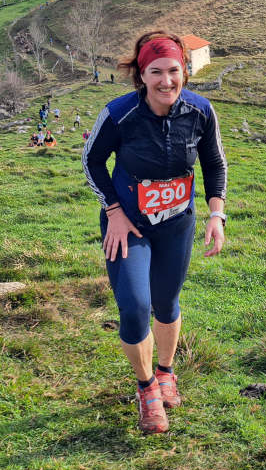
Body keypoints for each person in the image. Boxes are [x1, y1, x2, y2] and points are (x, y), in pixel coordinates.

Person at [83, 31, 227, 434]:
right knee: (133, 306)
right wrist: (112, 211)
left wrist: (217, 215)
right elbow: (92, 161)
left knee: (166, 303)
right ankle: (146, 388)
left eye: (174, 71)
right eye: (156, 72)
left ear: (185, 71)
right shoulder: (118, 114)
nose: (166, 81)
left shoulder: (200, 112)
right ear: (142, 76)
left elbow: (214, 164)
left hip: (177, 224)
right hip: (128, 224)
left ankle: (166, 373)